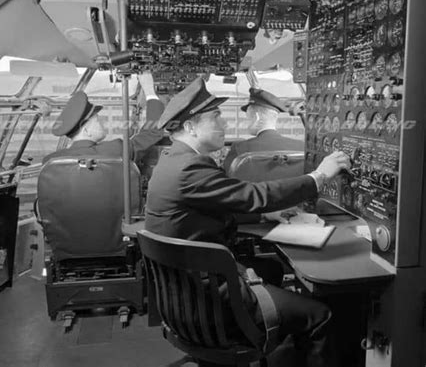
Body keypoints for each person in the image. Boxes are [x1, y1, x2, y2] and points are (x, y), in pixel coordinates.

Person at [145, 77, 351, 367]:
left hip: (184, 296)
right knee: (320, 316)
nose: (225, 125)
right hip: (211, 304)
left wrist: (264, 215)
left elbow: (216, 202)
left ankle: (279, 336)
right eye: (216, 117)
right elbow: (255, 193)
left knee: (269, 269)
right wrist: (319, 176)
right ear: (190, 126)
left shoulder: (170, 160)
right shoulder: (189, 167)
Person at [42, 71, 164, 164]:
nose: (102, 122)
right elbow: (152, 132)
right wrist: (149, 91)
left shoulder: (50, 161)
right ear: (86, 131)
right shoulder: (115, 150)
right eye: (97, 120)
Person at [224, 87, 304, 173]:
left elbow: (226, 176)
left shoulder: (239, 149)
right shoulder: (301, 147)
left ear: (257, 117)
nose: (247, 122)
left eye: (248, 117)